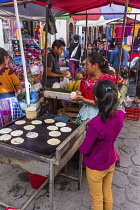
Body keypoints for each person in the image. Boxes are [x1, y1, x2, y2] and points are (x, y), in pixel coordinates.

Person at [79, 80, 124, 210]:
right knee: (107, 193)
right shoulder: (120, 115)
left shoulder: (95, 124)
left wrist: (80, 144)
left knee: (97, 199)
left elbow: (85, 149)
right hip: (110, 160)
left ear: (96, 99)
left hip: (96, 166)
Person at [71, 52, 115, 124]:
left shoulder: (107, 80)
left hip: (100, 116)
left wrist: (83, 99)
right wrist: (80, 94)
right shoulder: (85, 79)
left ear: (95, 65)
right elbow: (84, 94)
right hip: (85, 113)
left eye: (87, 64)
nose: (84, 66)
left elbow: (104, 102)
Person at [0, 47, 23, 128]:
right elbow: (19, 89)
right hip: (9, 102)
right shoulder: (10, 72)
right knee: (13, 126)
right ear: (4, 58)